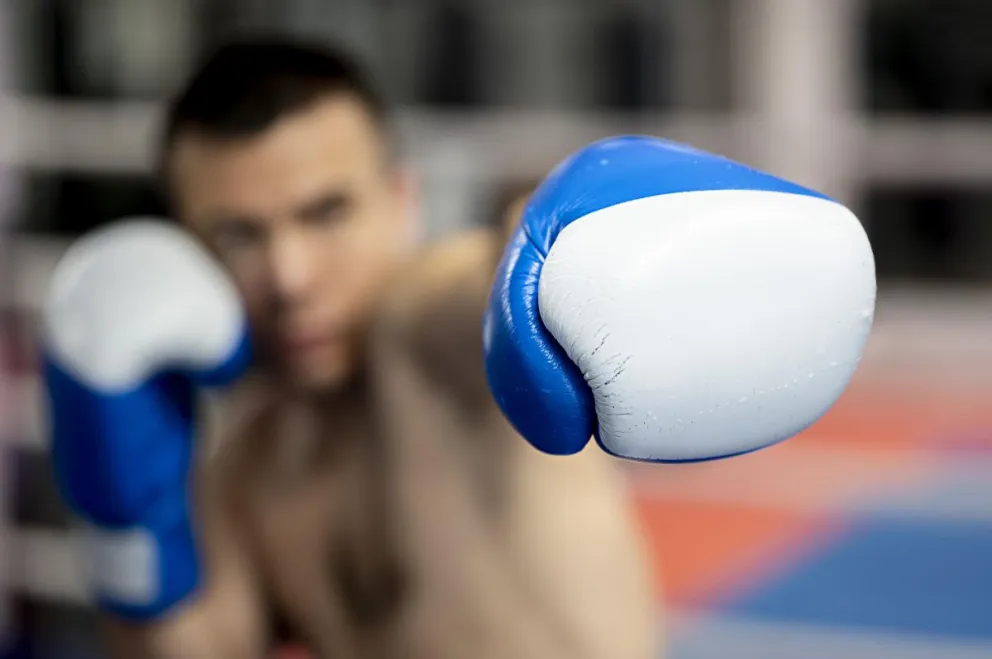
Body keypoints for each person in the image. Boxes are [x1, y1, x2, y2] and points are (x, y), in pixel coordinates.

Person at [40, 38, 875, 659]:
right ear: (188, 249)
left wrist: (567, 241)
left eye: (326, 213)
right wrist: (128, 527)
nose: (289, 276)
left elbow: (485, 274)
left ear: (401, 201)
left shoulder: (428, 342)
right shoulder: (251, 463)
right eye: (239, 235)